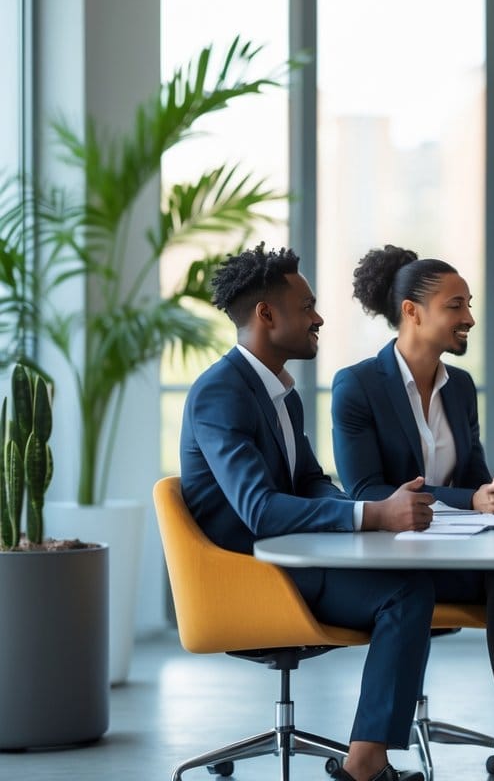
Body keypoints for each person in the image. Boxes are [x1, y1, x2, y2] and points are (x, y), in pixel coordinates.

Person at [180, 244, 436, 781]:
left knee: (412, 577)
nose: (318, 318)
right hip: (250, 574)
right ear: (265, 315)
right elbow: (260, 510)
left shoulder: (280, 394)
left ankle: (367, 759)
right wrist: (373, 518)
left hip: (290, 559)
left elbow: (310, 480)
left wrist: (367, 510)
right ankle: (366, 765)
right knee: (406, 590)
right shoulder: (219, 394)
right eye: (308, 306)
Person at [330, 245, 494, 775]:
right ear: (412, 312)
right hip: (391, 559)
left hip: (455, 551)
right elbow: (367, 489)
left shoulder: (459, 388)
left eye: (469, 304)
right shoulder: (358, 386)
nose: (469, 318)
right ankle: (367, 759)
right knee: (439, 587)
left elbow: (474, 480)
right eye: (455, 305)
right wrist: (472, 499)